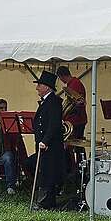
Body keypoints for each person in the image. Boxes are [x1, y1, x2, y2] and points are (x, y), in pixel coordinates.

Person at [24, 70, 66, 210]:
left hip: (50, 145)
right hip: (43, 144)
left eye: (39, 85)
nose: (37, 88)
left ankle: (46, 203)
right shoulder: (47, 101)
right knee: (44, 171)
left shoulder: (53, 102)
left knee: (48, 173)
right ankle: (44, 201)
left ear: (47, 87)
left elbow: (54, 124)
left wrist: (45, 141)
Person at [56, 66, 87, 139]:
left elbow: (78, 102)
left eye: (60, 78)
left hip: (76, 120)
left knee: (75, 143)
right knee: (76, 144)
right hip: (76, 119)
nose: (60, 80)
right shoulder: (73, 83)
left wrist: (65, 112)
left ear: (61, 76)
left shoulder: (75, 84)